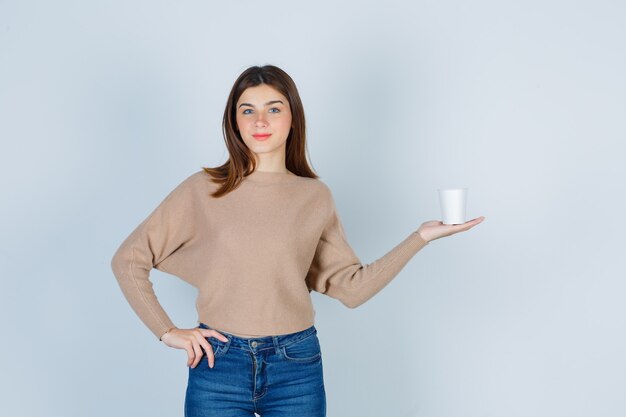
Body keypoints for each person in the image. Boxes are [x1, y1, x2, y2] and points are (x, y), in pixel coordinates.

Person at [110, 64, 485, 417]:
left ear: (292, 119)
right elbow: (128, 259)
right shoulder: (204, 188)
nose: (260, 121)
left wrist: (420, 237)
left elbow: (352, 289)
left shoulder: (314, 197)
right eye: (247, 110)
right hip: (218, 363)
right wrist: (167, 331)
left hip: (296, 365)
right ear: (234, 121)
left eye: (274, 109)